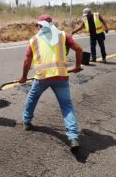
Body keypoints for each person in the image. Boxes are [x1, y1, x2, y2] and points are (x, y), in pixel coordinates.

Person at [19, 14, 83, 149]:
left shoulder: (34, 40)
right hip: (61, 77)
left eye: (37, 25)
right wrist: (77, 66)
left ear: (39, 25)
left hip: (42, 78)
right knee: (66, 106)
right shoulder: (62, 35)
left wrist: (24, 77)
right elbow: (79, 49)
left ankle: (26, 121)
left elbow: (27, 61)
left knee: (32, 98)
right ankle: (73, 137)